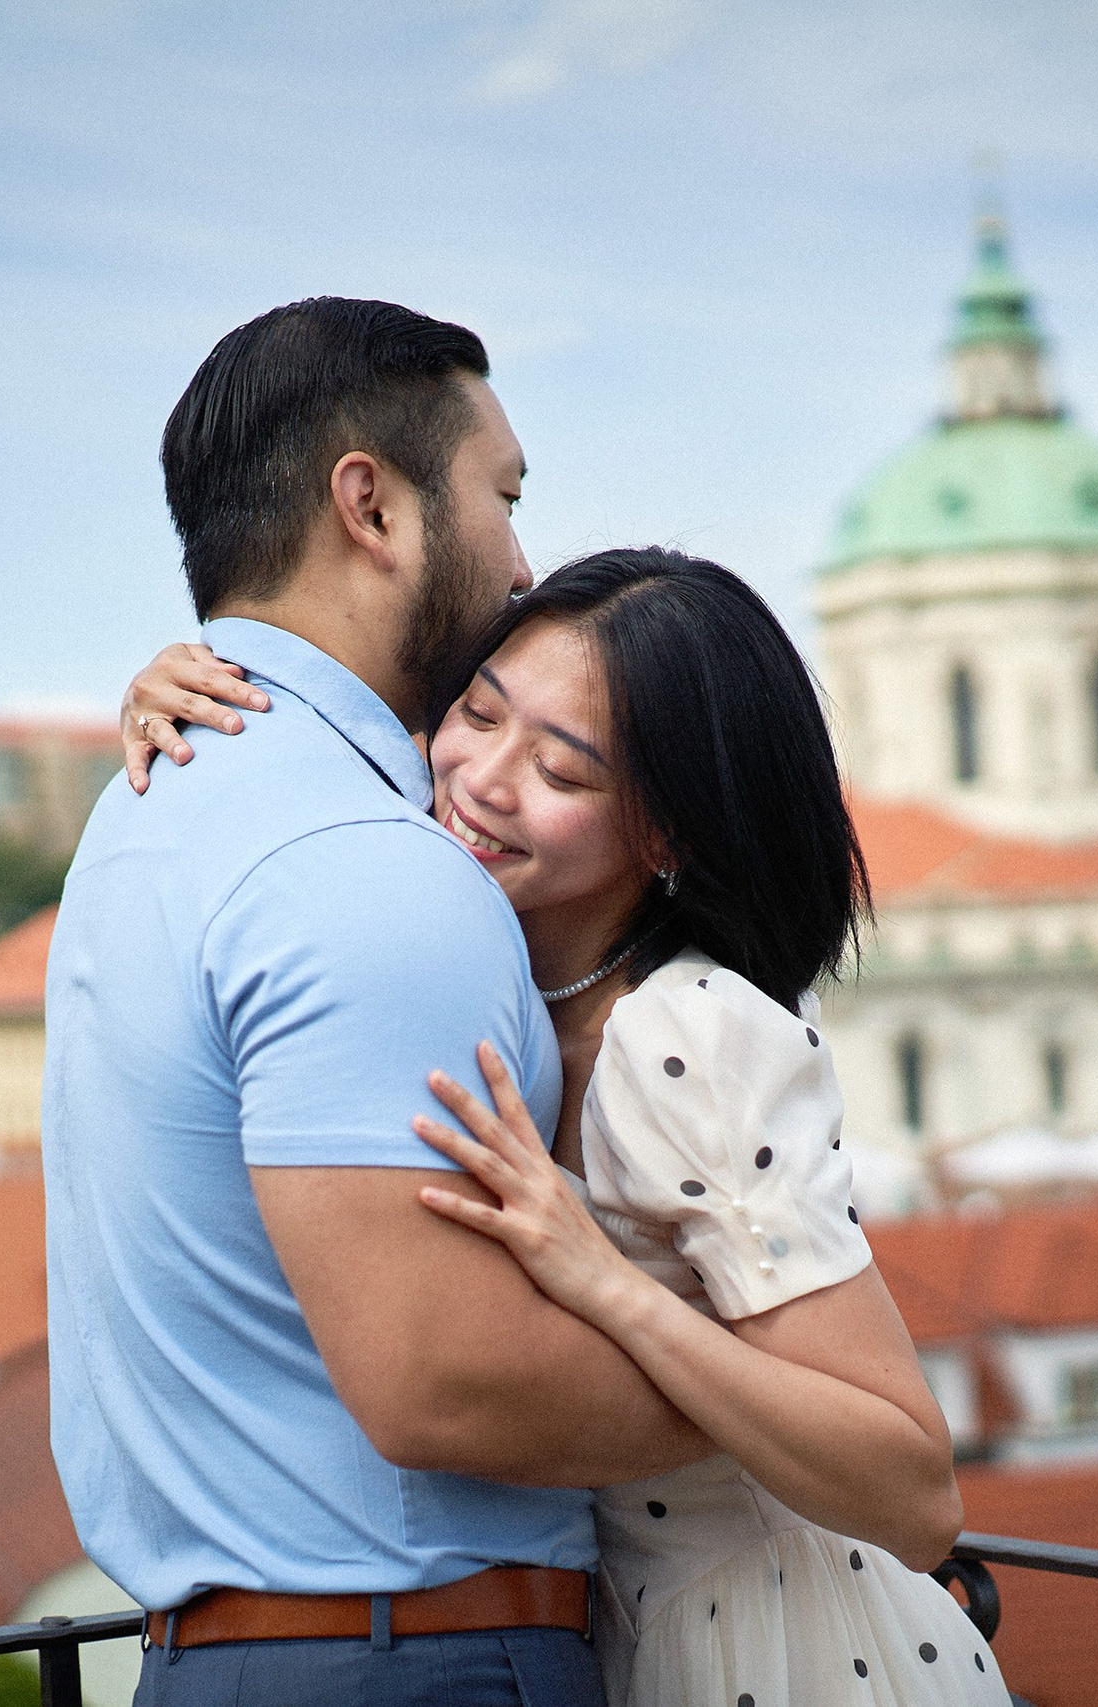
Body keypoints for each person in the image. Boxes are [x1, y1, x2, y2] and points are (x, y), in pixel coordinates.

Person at [120, 549, 1013, 1707]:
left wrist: (608, 1285)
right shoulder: (481, 980)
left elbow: (913, 1489)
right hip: (610, 1637)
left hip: (780, 1653)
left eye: (561, 770)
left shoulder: (686, 1036)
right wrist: (180, 689)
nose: (482, 778)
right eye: (478, 713)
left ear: (664, 838)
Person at [45, 299, 711, 1707]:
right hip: (417, 1656)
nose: (525, 558)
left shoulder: (150, 801)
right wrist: (783, 1398)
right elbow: (443, 1384)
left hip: (255, 1653)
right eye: (505, 495)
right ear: (375, 504)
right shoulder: (363, 864)